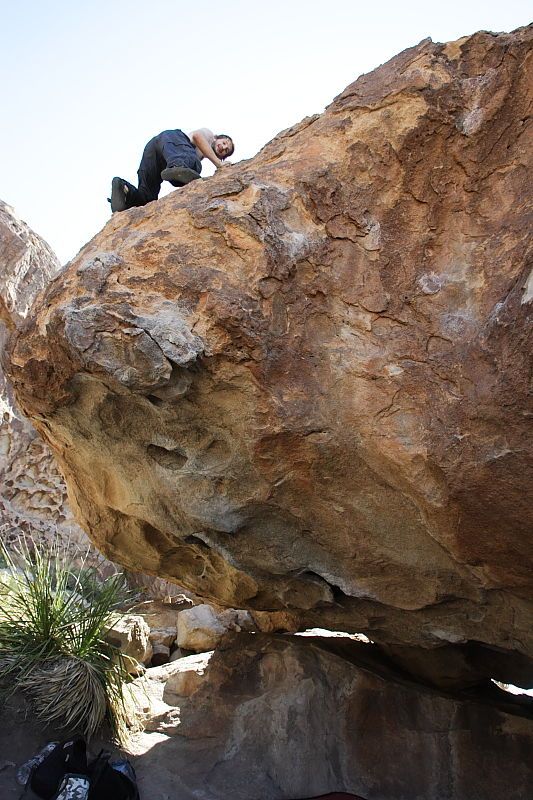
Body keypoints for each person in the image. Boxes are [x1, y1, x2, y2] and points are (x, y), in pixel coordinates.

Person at [109, 128, 234, 212]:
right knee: (194, 165)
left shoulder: (196, 155)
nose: (223, 147)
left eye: (226, 150)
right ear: (217, 138)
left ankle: (124, 191)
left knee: (147, 199)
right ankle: (177, 167)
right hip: (171, 140)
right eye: (224, 142)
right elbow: (197, 136)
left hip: (156, 152)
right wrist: (219, 165)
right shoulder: (209, 135)